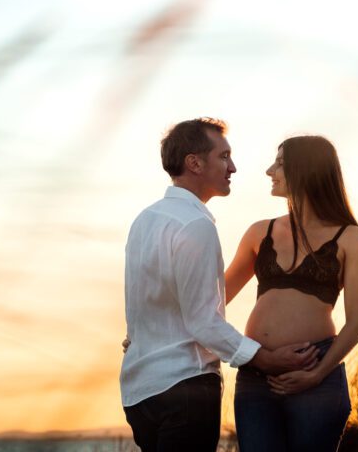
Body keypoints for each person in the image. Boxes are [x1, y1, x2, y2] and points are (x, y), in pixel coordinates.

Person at [120, 118, 320, 452]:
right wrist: (263, 358)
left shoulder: (144, 220)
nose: (233, 167)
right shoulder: (196, 225)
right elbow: (203, 321)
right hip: (186, 387)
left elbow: (144, 306)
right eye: (223, 156)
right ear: (194, 163)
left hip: (139, 393)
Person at [225, 135, 358, 451]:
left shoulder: (353, 238)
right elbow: (211, 300)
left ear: (306, 170)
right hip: (256, 374)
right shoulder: (258, 232)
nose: (269, 171)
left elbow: (357, 322)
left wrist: (317, 373)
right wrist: (151, 329)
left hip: (316, 373)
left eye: (279, 163)